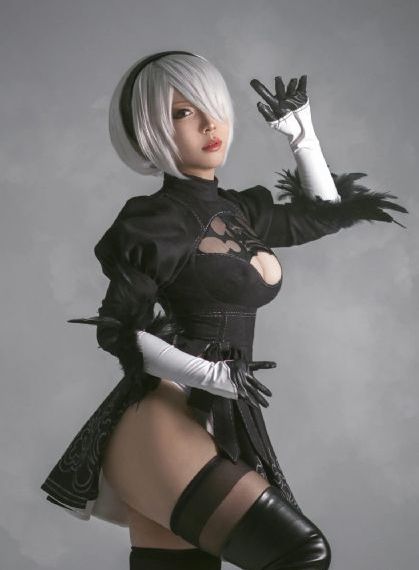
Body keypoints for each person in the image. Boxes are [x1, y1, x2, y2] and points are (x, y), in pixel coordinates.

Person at [40, 51, 407, 570]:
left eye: (211, 106)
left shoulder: (240, 209)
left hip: (216, 412)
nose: (209, 124)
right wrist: (211, 373)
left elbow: (323, 217)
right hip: (165, 414)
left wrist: (303, 137)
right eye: (182, 113)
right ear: (149, 131)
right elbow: (119, 331)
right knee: (301, 554)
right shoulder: (153, 221)